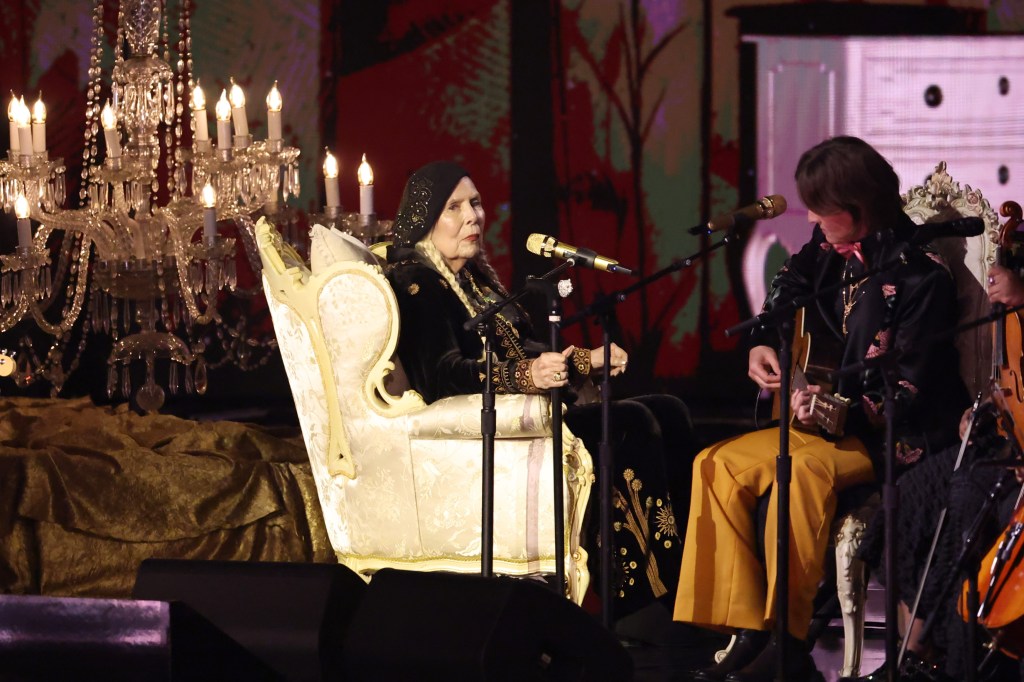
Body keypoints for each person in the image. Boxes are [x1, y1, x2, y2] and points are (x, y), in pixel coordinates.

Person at [673, 136, 971, 682]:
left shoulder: (921, 277)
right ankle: (745, 628)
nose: (810, 216)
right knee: (713, 465)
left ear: (857, 210)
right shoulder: (826, 246)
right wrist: (761, 338)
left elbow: (910, 390)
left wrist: (837, 411)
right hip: (820, 423)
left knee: (799, 475)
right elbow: (787, 287)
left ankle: (788, 634)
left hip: (889, 438)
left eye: (821, 207)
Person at [384, 160, 698, 617]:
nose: (473, 215)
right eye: (454, 207)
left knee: (669, 410)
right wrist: (525, 376)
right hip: (504, 429)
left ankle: (689, 577)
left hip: (537, 414)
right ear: (426, 219)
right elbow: (441, 374)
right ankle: (641, 599)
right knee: (631, 422)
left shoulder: (473, 280)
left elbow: (523, 345)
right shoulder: (419, 283)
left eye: (474, 202)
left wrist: (584, 359)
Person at [852, 263, 1024, 682]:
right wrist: (988, 411)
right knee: (913, 492)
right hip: (1013, 442)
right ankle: (911, 654)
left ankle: (955, 656)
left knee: (967, 495)